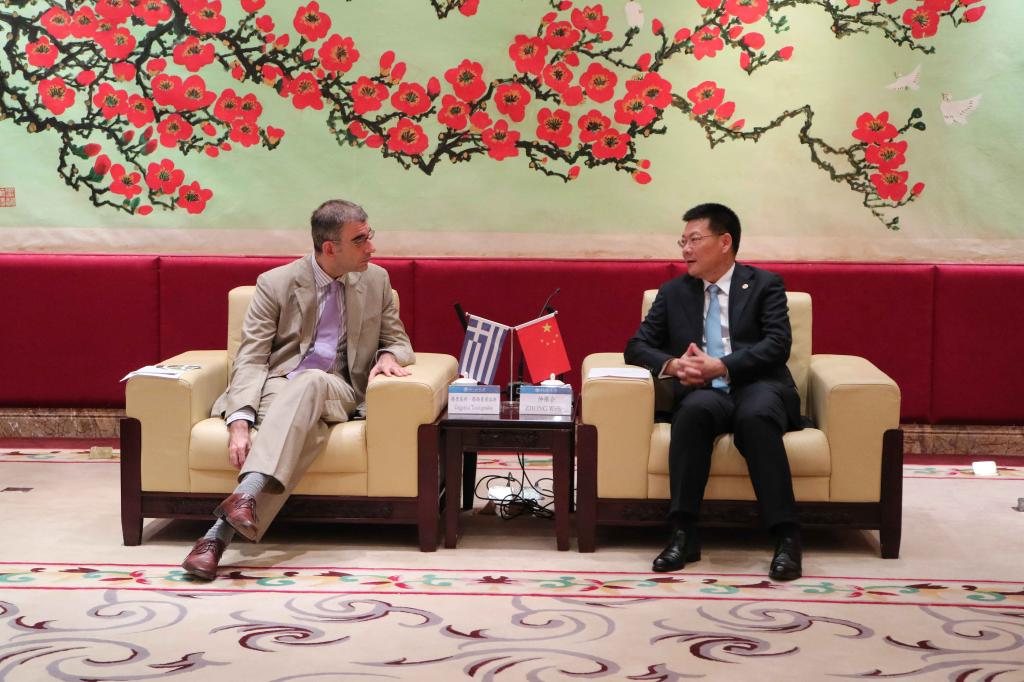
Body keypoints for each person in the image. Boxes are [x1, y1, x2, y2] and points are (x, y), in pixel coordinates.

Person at [181, 199, 414, 580]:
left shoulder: (376, 280)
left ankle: (237, 506)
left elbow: (399, 340)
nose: (371, 247)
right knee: (305, 425)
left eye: (369, 236)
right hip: (279, 389)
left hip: (339, 390)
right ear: (330, 248)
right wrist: (239, 421)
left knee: (312, 381)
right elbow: (251, 357)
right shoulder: (276, 283)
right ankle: (217, 537)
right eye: (360, 240)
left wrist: (388, 354)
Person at [624, 203, 803, 580]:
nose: (686, 250)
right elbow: (636, 347)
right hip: (704, 392)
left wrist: (724, 365)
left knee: (755, 417)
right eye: (682, 242)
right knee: (692, 414)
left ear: (725, 242)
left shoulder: (764, 284)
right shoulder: (673, 292)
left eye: (694, 240)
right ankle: (683, 533)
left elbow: (777, 344)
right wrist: (674, 365)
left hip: (757, 384)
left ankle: (786, 536)